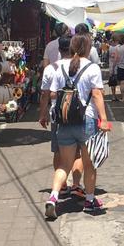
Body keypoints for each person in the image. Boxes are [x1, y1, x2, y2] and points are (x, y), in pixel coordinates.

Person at [45, 34, 111, 219]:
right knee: (89, 164)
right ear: (88, 49)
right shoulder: (92, 68)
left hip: (65, 121)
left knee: (64, 164)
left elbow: (52, 94)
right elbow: (96, 94)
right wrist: (104, 119)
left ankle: (53, 197)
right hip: (87, 121)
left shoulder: (60, 67)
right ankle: (89, 201)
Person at [39, 36, 84, 197]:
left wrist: (42, 114)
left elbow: (46, 94)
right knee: (78, 152)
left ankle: (62, 186)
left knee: (58, 151)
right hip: (78, 115)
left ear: (59, 49)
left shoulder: (51, 69)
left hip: (58, 115)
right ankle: (76, 184)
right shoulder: (81, 66)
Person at [108, 35, 119, 101]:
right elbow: (116, 58)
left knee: (112, 81)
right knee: (115, 81)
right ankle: (114, 96)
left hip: (111, 65)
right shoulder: (118, 47)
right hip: (116, 66)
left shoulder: (110, 47)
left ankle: (113, 95)